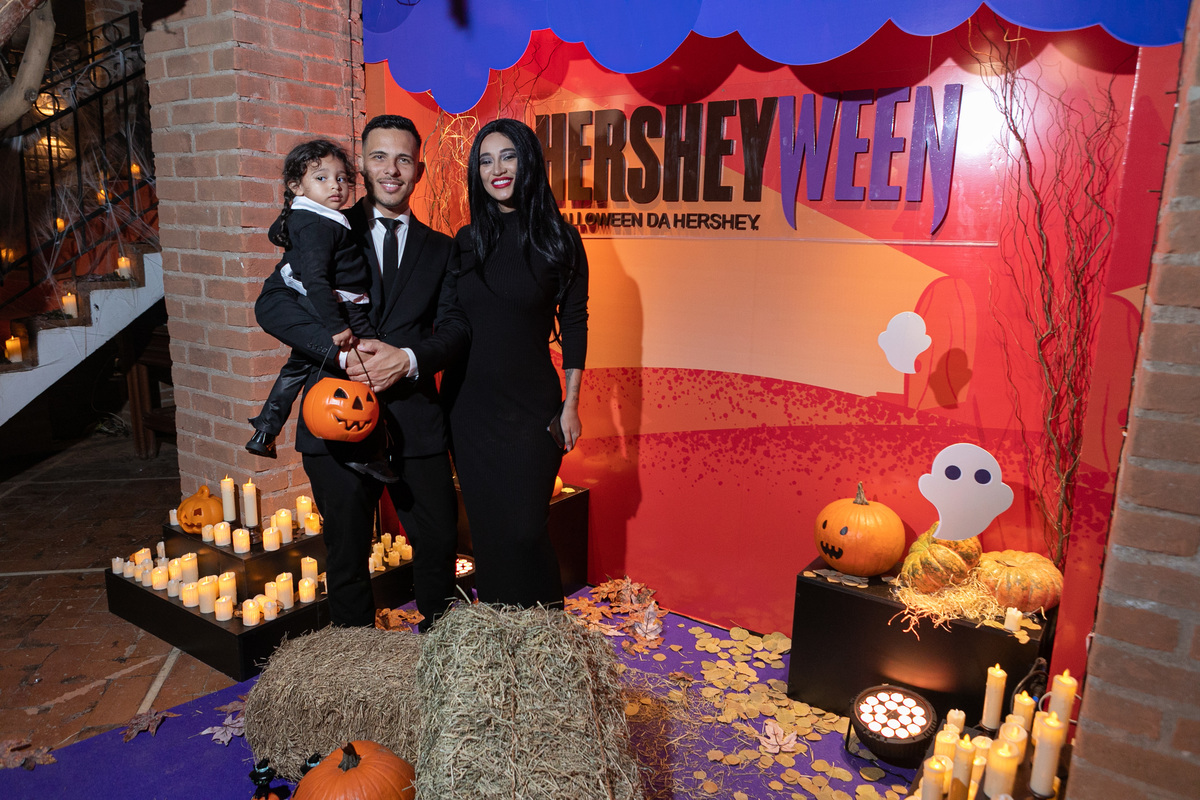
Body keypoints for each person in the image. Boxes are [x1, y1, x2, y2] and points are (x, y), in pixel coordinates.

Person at [255, 115, 468, 630]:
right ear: (363, 169)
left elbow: (456, 328)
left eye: (403, 159)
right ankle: (355, 653)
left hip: (416, 420)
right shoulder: (323, 223)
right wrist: (341, 356)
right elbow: (273, 304)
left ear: (418, 170)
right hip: (335, 415)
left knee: (438, 541)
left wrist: (408, 359)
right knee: (347, 550)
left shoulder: (443, 249)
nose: (391, 169)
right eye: (379, 157)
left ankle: (442, 650)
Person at [441, 118, 588, 608]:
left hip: (531, 409)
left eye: (508, 156)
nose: (497, 169)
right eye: (485, 161)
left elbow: (575, 324)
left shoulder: (560, 240)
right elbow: (448, 321)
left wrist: (571, 405)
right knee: (488, 533)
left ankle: (546, 633)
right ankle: (499, 634)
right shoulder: (466, 241)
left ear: (529, 162)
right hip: (469, 409)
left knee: (526, 529)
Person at [245, 139, 392, 481]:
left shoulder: (312, 217)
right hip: (338, 307)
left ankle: (265, 430)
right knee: (366, 372)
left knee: (299, 364)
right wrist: (337, 326)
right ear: (297, 186)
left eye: (341, 178)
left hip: (329, 303)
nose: (336, 186)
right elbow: (316, 280)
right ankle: (365, 452)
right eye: (322, 178)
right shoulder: (317, 225)